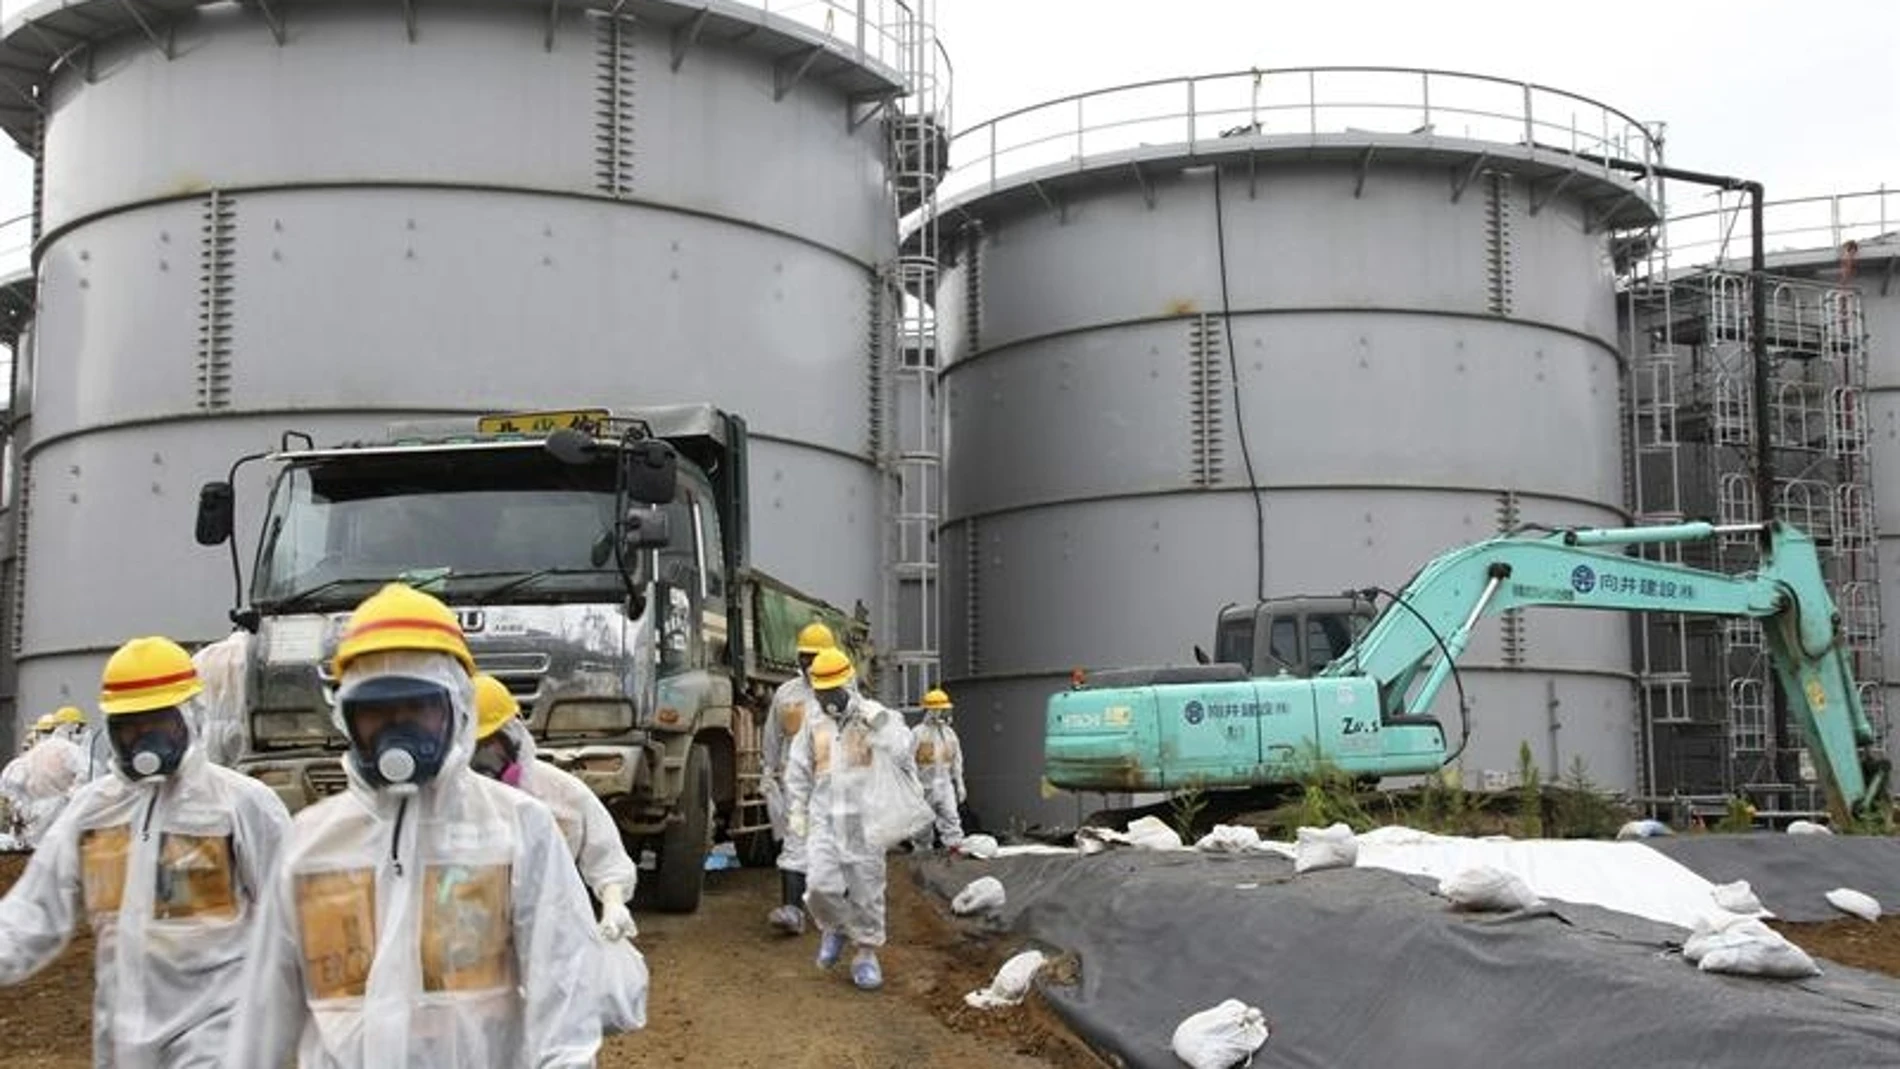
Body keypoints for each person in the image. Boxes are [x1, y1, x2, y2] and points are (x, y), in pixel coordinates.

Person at [230, 583, 603, 1067]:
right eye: (376, 712)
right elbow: (265, 1009)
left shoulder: (516, 828)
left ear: (456, 709)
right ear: (347, 719)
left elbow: (564, 985)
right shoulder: (311, 843)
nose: (397, 728)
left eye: (417, 709)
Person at [0, 636, 292, 1068]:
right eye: (130, 726)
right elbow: (33, 911)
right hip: (124, 1040)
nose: (144, 738)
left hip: (221, 1032)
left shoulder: (241, 804)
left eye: (158, 722)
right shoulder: (94, 810)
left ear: (190, 716)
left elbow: (293, 914)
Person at [468, 672, 647, 1034]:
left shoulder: (560, 792)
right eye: (472, 748)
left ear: (513, 737)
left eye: (490, 744)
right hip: (473, 943)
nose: (483, 759)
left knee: (557, 1031)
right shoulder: (444, 806)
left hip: (555, 938)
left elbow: (606, 855)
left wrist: (613, 902)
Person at [783, 648, 916, 991]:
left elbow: (904, 750)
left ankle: (866, 954)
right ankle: (837, 928)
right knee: (819, 886)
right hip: (825, 817)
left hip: (864, 819)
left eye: (831, 691)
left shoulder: (873, 715)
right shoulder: (813, 722)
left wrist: (883, 727)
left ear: (848, 684)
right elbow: (799, 767)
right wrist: (797, 809)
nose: (825, 698)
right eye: (820, 691)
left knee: (866, 889)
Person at [761, 621, 835, 934]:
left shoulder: (844, 691)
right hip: (796, 782)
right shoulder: (786, 693)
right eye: (805, 656)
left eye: (815, 656)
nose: (809, 663)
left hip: (832, 781)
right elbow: (773, 734)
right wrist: (768, 770)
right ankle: (793, 910)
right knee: (795, 840)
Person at [909, 688, 966, 852]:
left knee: (951, 817)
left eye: (944, 709)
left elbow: (957, 760)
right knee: (922, 824)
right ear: (931, 711)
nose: (943, 713)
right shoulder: (917, 733)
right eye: (939, 709)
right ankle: (922, 852)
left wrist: (960, 783)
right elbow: (908, 761)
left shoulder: (949, 734)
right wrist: (913, 783)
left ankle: (954, 849)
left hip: (945, 785)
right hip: (924, 786)